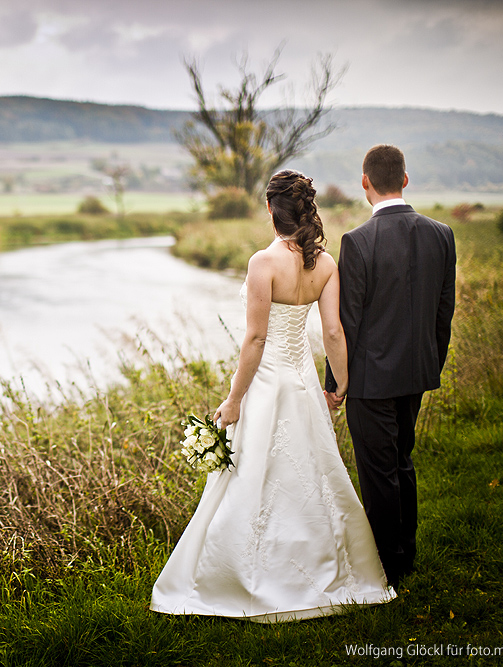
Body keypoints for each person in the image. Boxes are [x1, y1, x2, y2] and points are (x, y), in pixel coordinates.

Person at [150, 170, 395, 622]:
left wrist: (234, 398)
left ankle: (251, 576)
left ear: (270, 209)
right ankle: (332, 570)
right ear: (306, 209)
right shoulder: (323, 264)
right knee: (313, 473)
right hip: (302, 380)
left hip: (266, 382)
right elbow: (334, 332)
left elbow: (256, 340)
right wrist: (340, 383)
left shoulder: (263, 263)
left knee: (256, 476)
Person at [324, 145, 456, 587]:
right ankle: (407, 555)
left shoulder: (358, 242)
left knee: (379, 473)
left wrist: (337, 384)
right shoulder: (443, 234)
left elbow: (347, 323)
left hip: (370, 381)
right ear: (405, 179)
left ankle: (391, 567)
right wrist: (429, 363)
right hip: (417, 373)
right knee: (401, 461)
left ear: (365, 183)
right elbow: (444, 313)